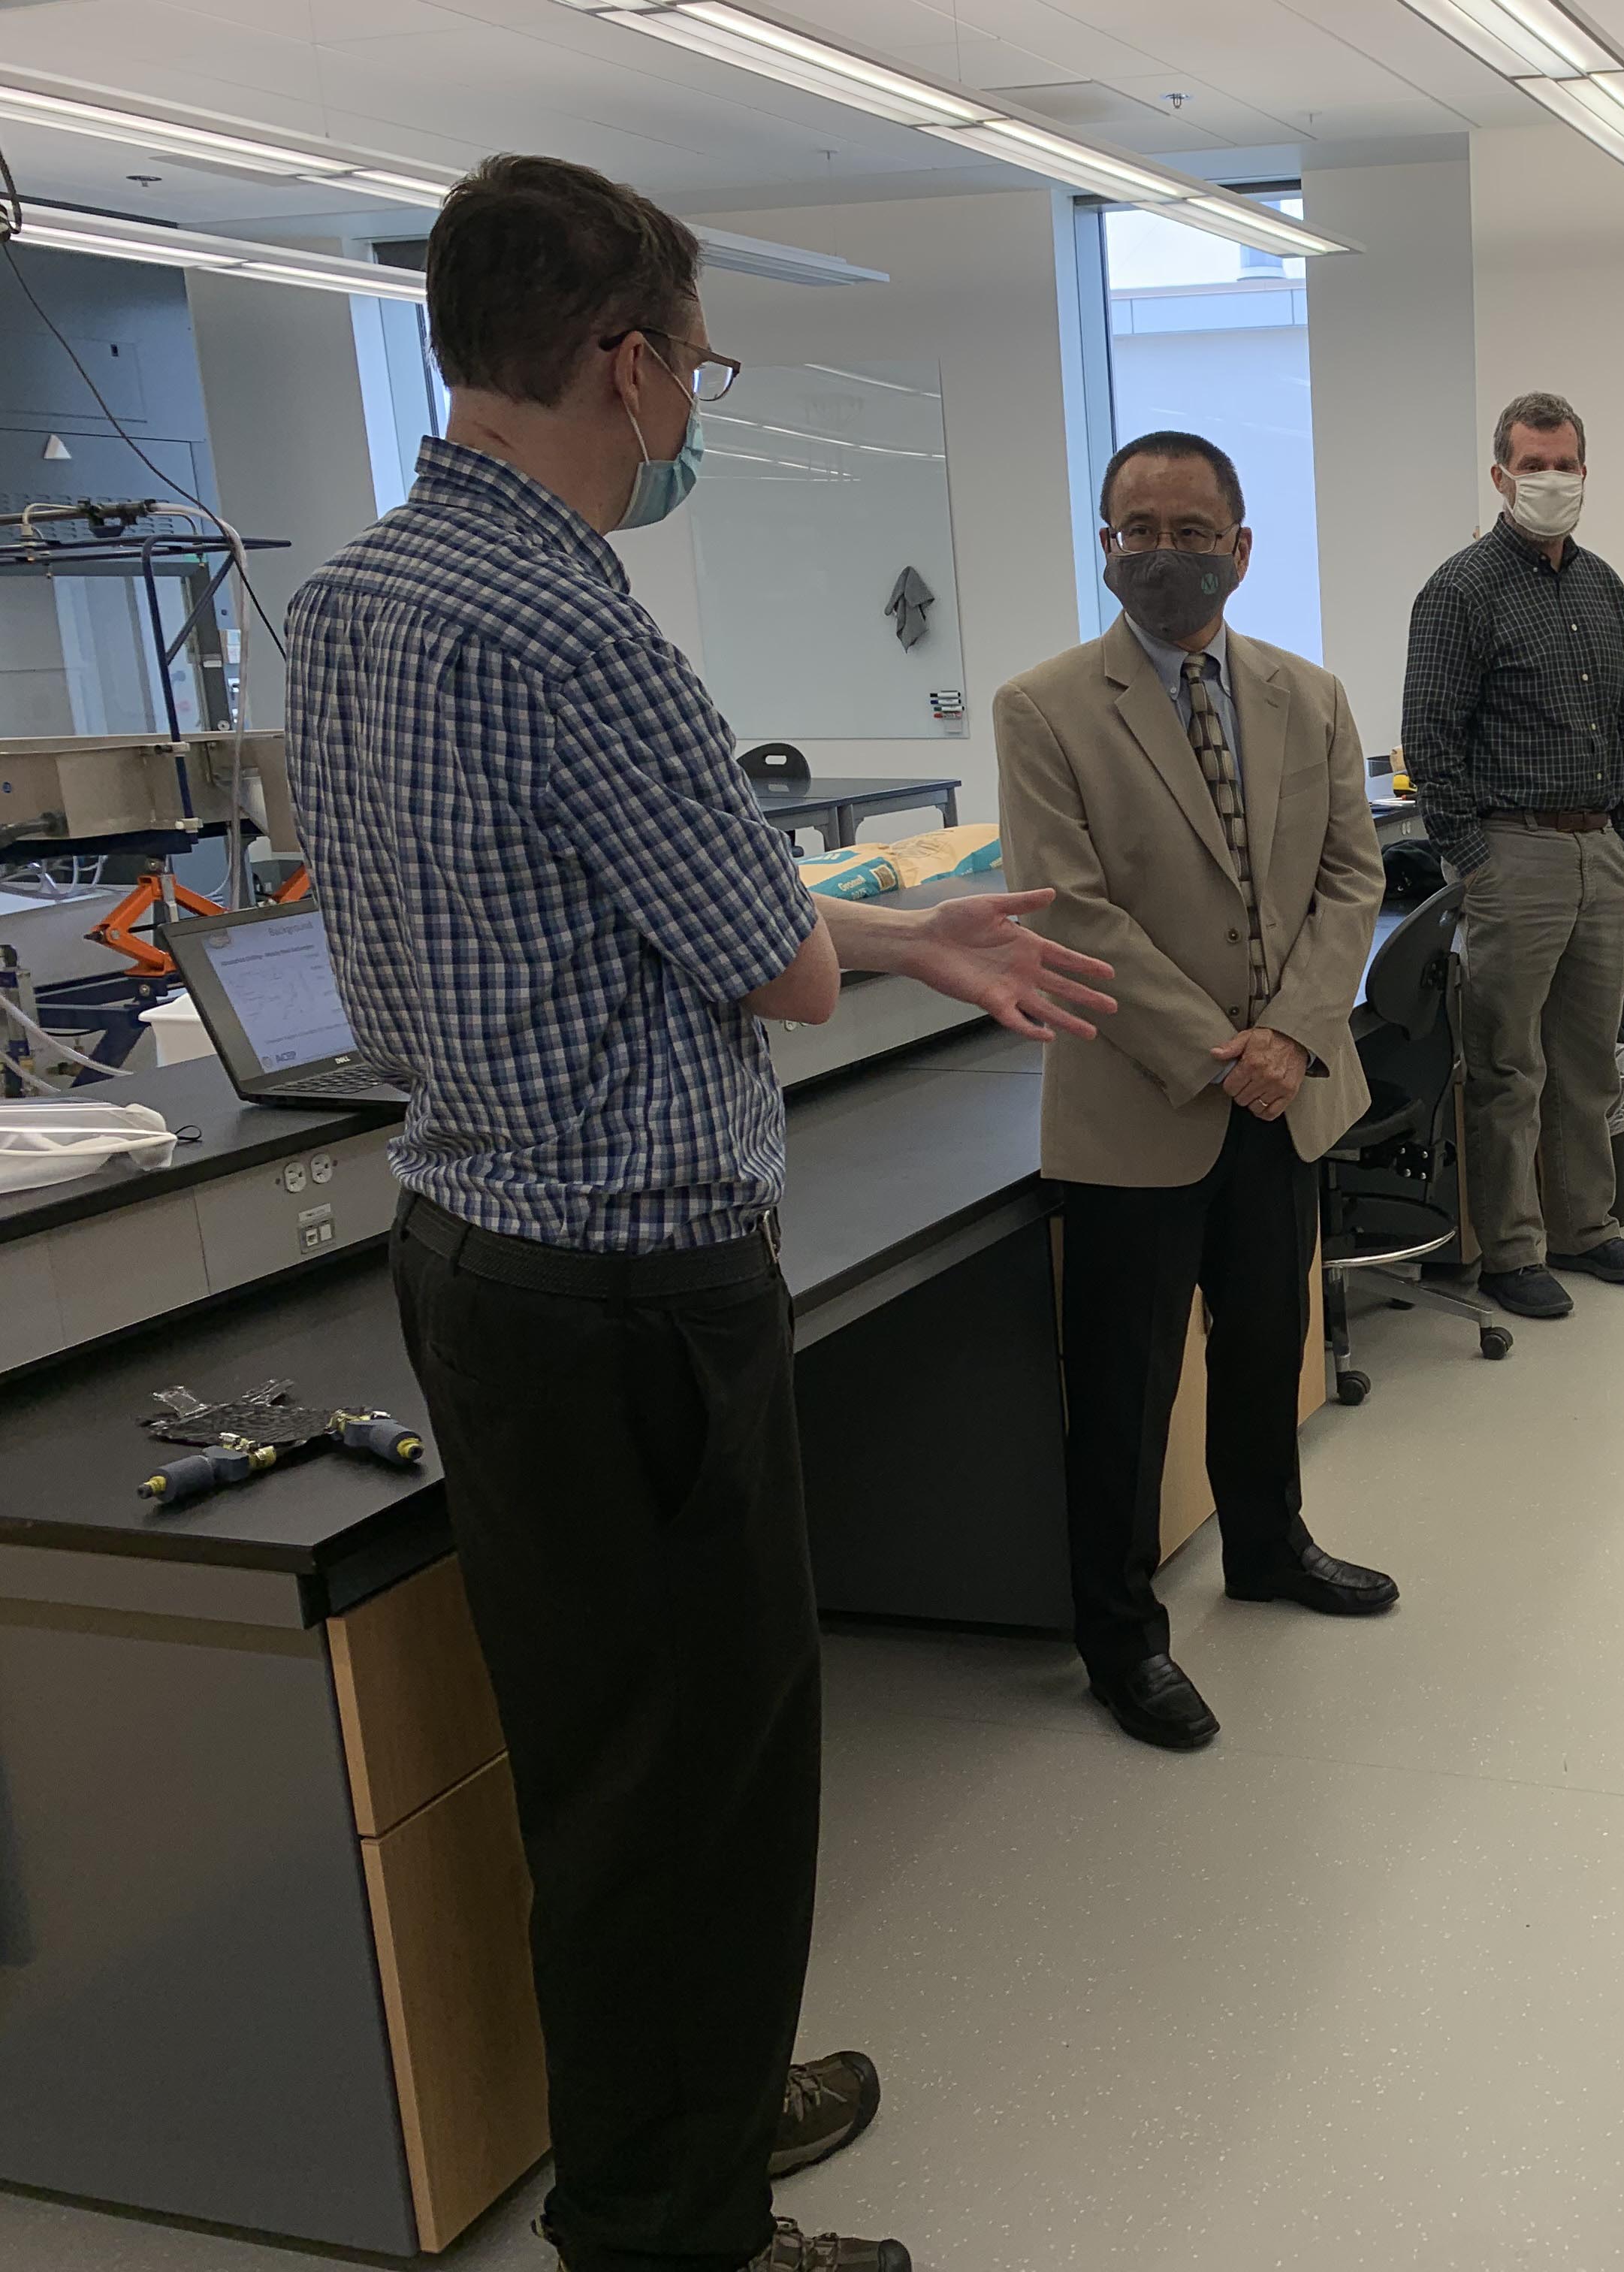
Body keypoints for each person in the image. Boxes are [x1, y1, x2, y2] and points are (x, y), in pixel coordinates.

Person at [283, 156, 1115, 2272]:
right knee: (703, 1778)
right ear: (627, 360)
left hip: (471, 1254)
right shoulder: (583, 626)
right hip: (635, 1292)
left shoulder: (357, 601)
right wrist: (867, 944)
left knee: (601, 1757)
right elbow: (776, 968)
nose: (691, 410)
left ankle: (691, 2123)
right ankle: (681, 2226)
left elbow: (631, 917)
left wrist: (910, 937)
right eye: (700, 366)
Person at [998, 431, 1399, 1752]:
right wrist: (1222, 1051)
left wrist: (1292, 1036)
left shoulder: (1308, 696)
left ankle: (1269, 1545)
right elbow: (1071, 911)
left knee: (1266, 1338)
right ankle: (1121, 1638)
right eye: (1137, 531)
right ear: (1104, 546)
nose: (1162, 554)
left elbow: (1351, 876)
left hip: (1286, 1096)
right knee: (1125, 1389)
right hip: (1139, 1100)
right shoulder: (1045, 708)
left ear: (1241, 547)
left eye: (1189, 531)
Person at [1402, 389, 1624, 1324]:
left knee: (1587, 1060)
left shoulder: (1603, 586)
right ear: (1501, 476)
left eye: (1565, 465)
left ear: (1586, 471)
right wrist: (1476, 863)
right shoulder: (1460, 592)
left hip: (1601, 849)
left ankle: (1583, 1226)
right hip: (1513, 852)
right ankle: (1511, 1250)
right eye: (1533, 465)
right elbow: (1430, 741)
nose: (1552, 480)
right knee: (1509, 1067)